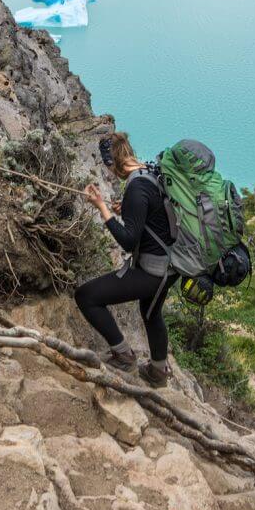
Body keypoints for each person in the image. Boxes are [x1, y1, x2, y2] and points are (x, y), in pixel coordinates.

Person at [75, 132, 177, 387]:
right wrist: (128, 210)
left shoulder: (136, 186)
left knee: (86, 296)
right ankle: (158, 372)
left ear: (112, 162)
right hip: (171, 267)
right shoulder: (149, 173)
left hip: (153, 272)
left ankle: (123, 355)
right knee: (151, 314)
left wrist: (103, 208)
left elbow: (129, 241)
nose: (109, 173)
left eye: (108, 167)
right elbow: (152, 217)